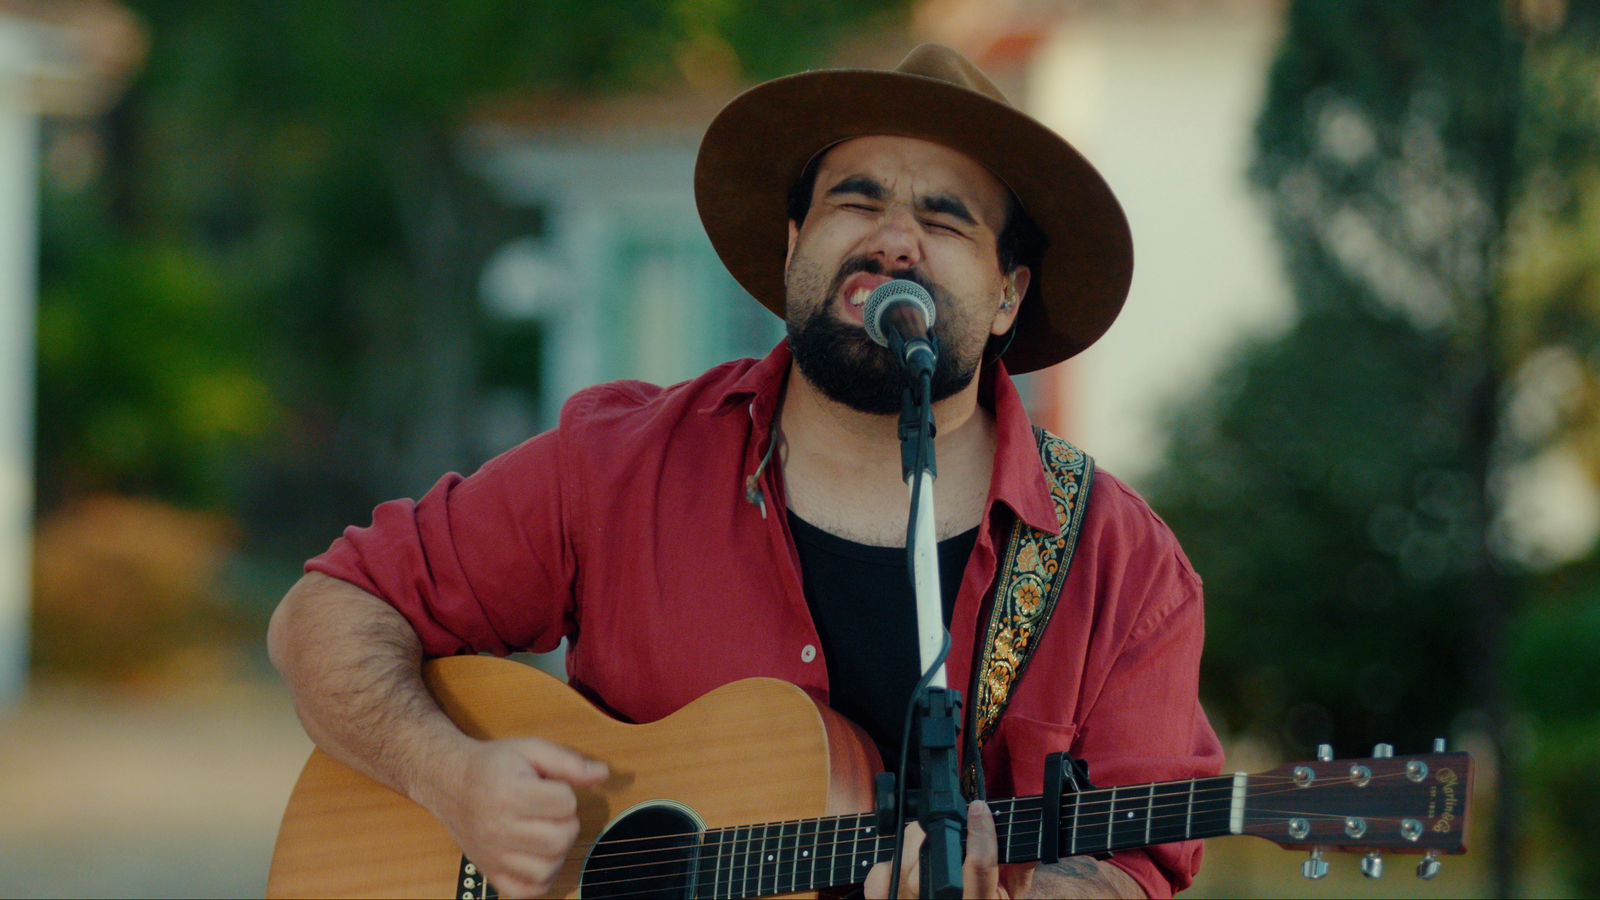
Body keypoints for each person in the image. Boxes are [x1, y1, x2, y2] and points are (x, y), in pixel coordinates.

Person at [268, 44, 1223, 899]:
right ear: (795, 244)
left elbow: (1136, 861)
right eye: (857, 200)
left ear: (1008, 295)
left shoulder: (1120, 563)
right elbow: (331, 611)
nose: (895, 238)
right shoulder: (621, 465)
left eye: (945, 218)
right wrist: (452, 778)